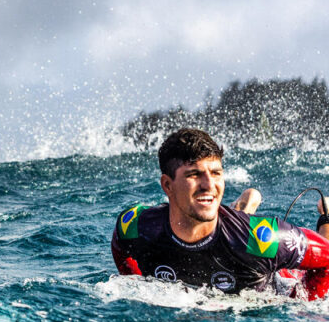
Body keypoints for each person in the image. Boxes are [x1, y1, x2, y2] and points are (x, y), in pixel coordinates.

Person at [111, 128, 329, 299]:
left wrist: (297, 304)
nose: (209, 184)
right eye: (194, 174)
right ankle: (243, 208)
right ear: (168, 185)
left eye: (216, 173)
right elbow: (120, 247)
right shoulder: (138, 227)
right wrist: (140, 286)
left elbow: (327, 261)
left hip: (273, 276)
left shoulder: (265, 238)